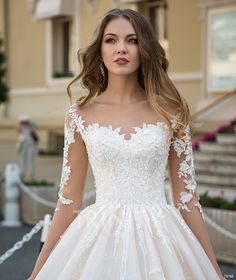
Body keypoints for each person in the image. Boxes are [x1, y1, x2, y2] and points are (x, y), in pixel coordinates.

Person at [28, 8, 226, 280]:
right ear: (99, 49)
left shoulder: (171, 110)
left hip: (161, 241)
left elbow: (187, 199)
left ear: (144, 48)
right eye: (111, 40)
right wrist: (38, 271)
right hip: (98, 240)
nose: (121, 48)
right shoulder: (79, 114)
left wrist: (212, 269)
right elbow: (68, 199)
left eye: (131, 40)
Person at [17, 115, 38, 180]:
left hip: (30, 144)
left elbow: (34, 129)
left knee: (31, 159)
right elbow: (18, 130)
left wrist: (29, 127)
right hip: (22, 144)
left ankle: (31, 173)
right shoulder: (20, 126)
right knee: (22, 158)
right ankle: (22, 172)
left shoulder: (31, 125)